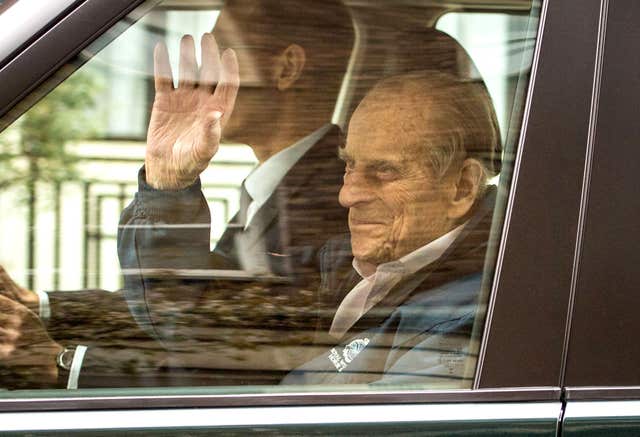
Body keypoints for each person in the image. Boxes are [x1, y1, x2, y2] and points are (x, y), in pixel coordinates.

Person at [0, 0, 355, 389]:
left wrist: (61, 365)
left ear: (286, 67)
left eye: (218, 53)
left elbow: (227, 346)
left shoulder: (330, 201)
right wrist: (44, 306)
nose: (201, 76)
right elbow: (207, 304)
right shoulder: (285, 185)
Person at [282, 70, 502, 387]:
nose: (347, 195)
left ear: (462, 187)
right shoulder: (342, 259)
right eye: (350, 165)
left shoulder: (461, 321)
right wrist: (184, 182)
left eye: (384, 170)